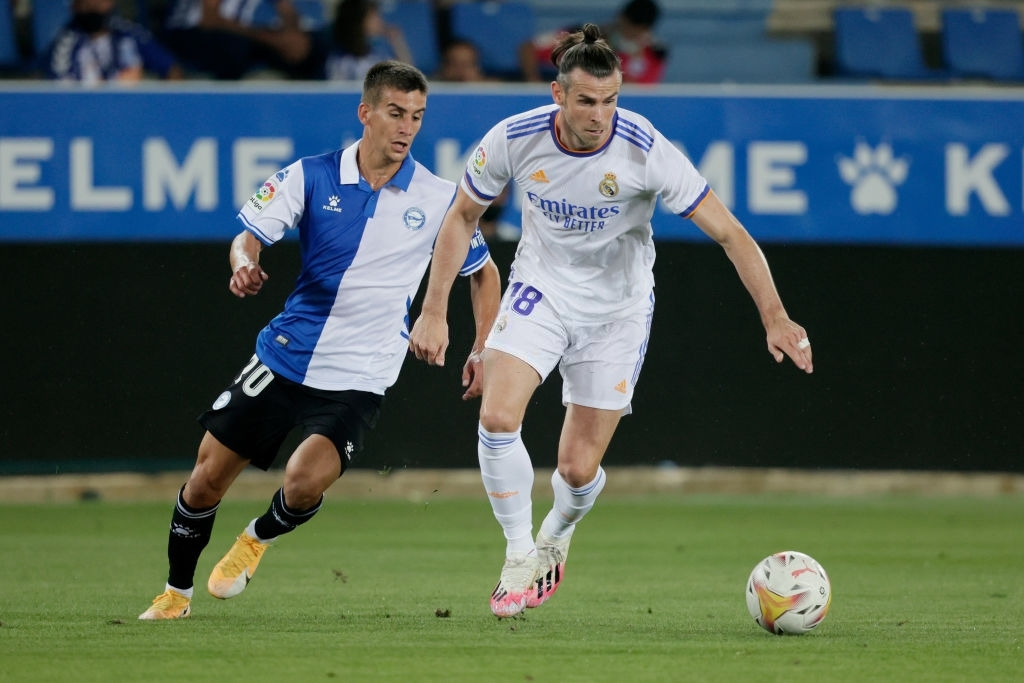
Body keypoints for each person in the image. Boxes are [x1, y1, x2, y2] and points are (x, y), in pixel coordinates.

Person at [409, 24, 813, 618]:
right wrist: (435, 311)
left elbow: (730, 233)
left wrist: (776, 317)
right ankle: (520, 555)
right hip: (540, 290)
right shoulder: (513, 139)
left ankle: (556, 534)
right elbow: (460, 216)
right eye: (587, 100)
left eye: (611, 99)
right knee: (498, 415)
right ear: (557, 95)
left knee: (576, 469)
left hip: (617, 310)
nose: (600, 115)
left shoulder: (645, 148)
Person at [138, 60, 501, 620]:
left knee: (304, 483)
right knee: (206, 480)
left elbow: (484, 274)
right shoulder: (310, 175)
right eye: (396, 113)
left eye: (418, 117)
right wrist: (242, 264)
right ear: (366, 113)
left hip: (361, 376)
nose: (407, 127)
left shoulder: (438, 198)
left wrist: (480, 347)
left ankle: (256, 539)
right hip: (284, 358)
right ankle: (174, 595)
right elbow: (248, 239)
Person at [160, 0, 328, 79]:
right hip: (192, 32)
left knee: (314, 47)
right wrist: (273, 40)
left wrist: (293, 36)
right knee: (233, 47)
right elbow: (210, 19)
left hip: (250, 36)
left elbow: (287, 11)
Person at [519, 0, 668, 84]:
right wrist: (534, 83)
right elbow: (528, 48)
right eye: (628, 28)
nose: (630, 34)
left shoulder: (655, 54)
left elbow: (641, 91)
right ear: (620, 18)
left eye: (637, 32)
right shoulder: (580, 34)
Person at [44, 0, 183, 84]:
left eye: (100, 2)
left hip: (132, 114)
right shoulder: (65, 43)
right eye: (87, 3)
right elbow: (61, 90)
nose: (94, 5)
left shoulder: (129, 34)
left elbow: (171, 69)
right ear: (75, 5)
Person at [325, 0, 412, 82]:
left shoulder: (377, 57)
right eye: (373, 18)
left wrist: (396, 40)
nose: (379, 22)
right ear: (358, 22)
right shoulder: (340, 61)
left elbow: (408, 75)